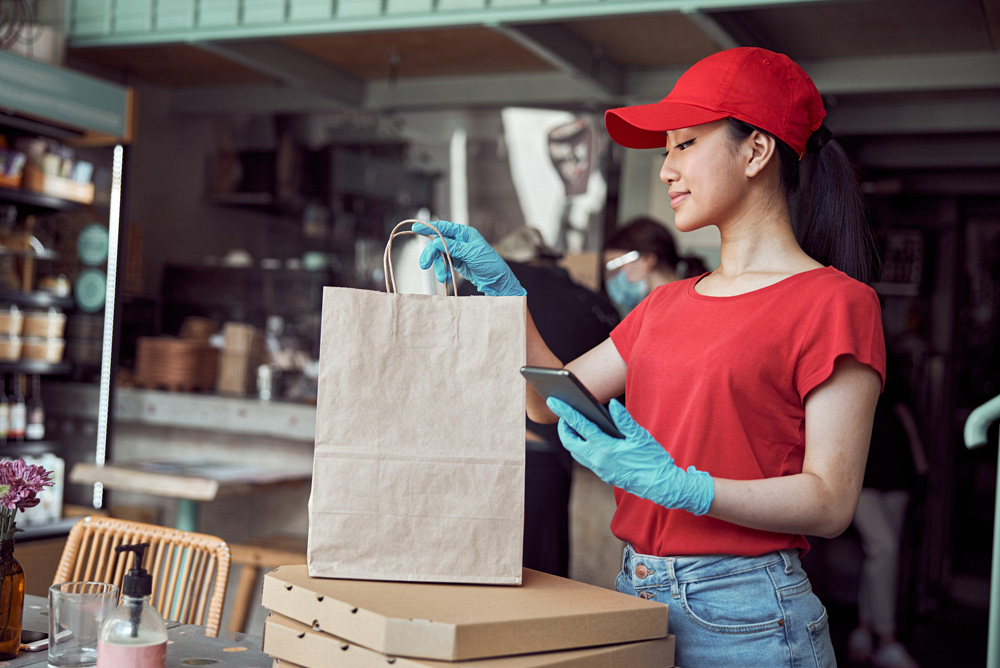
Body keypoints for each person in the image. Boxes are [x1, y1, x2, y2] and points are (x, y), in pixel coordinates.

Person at [415, 46, 885, 668]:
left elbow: (830, 503)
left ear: (757, 150)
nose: (665, 169)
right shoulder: (664, 304)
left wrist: (685, 489)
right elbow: (548, 404)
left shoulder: (834, 302)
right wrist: (509, 297)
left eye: (685, 144)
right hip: (636, 594)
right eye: (666, 150)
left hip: (748, 612)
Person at [459, 225, 620, 577]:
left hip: (476, 451)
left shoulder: (474, 289)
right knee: (539, 589)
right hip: (546, 457)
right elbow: (553, 406)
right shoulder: (592, 304)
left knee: (469, 576)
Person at [847, 355, 928, 668]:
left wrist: (920, 463)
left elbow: (904, 411)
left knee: (881, 555)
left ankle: (866, 630)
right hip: (857, 473)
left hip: (897, 469)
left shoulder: (884, 356)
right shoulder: (833, 353)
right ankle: (887, 639)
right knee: (885, 548)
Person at [603, 216, 708, 315]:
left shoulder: (683, 310)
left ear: (646, 260)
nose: (612, 280)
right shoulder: (650, 312)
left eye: (616, 267)